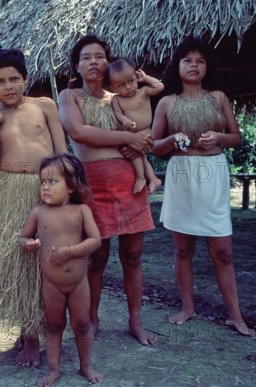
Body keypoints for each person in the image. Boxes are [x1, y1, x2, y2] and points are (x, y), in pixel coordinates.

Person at [0, 47, 68, 366]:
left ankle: (36, 336)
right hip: (7, 191)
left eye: (14, 79)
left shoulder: (45, 106)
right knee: (20, 263)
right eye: (0, 81)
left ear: (25, 79)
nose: (8, 86)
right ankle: (27, 333)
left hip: (45, 189)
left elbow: (62, 151)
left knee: (42, 264)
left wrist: (64, 192)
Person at [58, 34, 157, 345]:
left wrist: (145, 138)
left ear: (108, 62)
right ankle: (91, 319)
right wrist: (129, 139)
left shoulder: (120, 97)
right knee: (96, 256)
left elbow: (146, 128)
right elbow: (79, 132)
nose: (94, 62)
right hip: (92, 184)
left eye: (99, 56)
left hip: (129, 180)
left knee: (133, 256)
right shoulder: (70, 96)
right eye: (86, 57)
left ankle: (136, 323)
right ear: (76, 65)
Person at [150, 36, 252, 336]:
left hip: (212, 172)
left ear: (207, 67)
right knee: (182, 248)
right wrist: (170, 140)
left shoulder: (218, 98)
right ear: (177, 66)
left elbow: (236, 137)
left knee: (223, 251)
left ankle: (235, 315)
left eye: (200, 61)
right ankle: (187, 306)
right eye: (187, 60)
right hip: (181, 172)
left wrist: (218, 138)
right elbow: (154, 146)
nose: (194, 65)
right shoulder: (167, 102)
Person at [19, 154, 102, 386]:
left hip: (78, 283)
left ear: (72, 185)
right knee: (54, 325)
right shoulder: (38, 213)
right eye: (42, 182)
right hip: (51, 284)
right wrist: (28, 244)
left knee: (82, 324)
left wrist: (70, 252)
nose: (45, 187)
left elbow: (96, 240)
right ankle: (53, 369)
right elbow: (23, 237)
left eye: (52, 182)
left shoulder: (81, 211)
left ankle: (85, 366)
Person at [107, 58, 164, 194]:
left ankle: (141, 177)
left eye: (131, 81)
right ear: (113, 88)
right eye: (121, 85)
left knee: (138, 155)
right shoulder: (116, 99)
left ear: (136, 78)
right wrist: (125, 120)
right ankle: (153, 179)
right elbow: (118, 113)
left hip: (146, 132)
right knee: (139, 156)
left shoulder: (143, 92)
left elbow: (159, 87)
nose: (128, 87)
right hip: (132, 134)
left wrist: (146, 78)